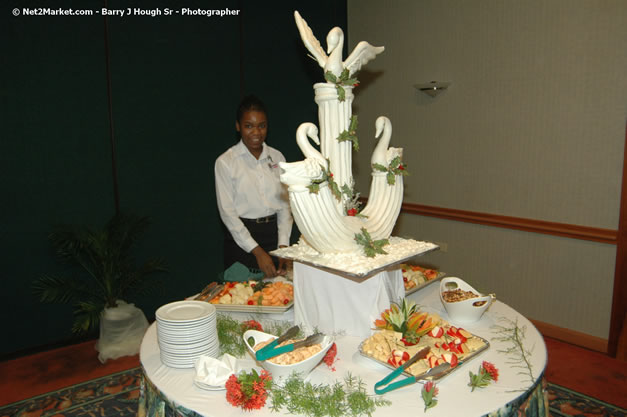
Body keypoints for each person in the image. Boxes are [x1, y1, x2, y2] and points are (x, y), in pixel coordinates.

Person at [214, 95, 293, 277]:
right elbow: (228, 214)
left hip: (275, 238)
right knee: (244, 299)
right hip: (241, 242)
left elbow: (284, 206)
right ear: (238, 126)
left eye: (261, 126)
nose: (256, 132)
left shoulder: (278, 157)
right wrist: (257, 252)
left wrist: (283, 247)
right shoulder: (226, 162)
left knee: (277, 297)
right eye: (249, 126)